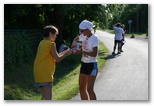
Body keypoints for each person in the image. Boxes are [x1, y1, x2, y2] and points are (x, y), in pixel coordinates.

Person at [33, 25, 72, 100]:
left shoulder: (42, 42)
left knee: (44, 97)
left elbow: (54, 56)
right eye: (55, 34)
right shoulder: (51, 44)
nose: (56, 36)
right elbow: (57, 59)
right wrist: (66, 54)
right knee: (48, 98)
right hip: (46, 73)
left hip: (38, 72)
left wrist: (65, 52)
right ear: (50, 34)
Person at [71, 20, 98, 100]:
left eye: (82, 31)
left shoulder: (94, 38)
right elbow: (76, 39)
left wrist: (81, 51)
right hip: (84, 63)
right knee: (82, 88)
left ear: (88, 29)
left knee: (89, 89)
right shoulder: (83, 36)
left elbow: (94, 54)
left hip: (92, 64)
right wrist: (74, 45)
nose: (81, 32)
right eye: (80, 31)